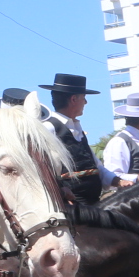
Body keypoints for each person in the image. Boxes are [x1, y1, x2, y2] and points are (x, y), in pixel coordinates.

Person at [38, 73, 106, 203]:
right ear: (74, 99)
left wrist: (118, 181)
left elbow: (97, 166)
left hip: (93, 203)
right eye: (84, 98)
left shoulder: (77, 128)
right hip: (71, 207)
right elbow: (40, 167)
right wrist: (60, 189)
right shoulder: (49, 128)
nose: (86, 102)